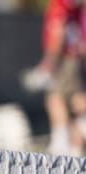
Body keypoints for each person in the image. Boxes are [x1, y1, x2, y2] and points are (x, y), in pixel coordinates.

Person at [34, 0, 86, 155]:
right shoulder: (73, 7)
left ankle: (60, 145)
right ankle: (74, 144)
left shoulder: (61, 5)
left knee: (55, 98)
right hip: (74, 58)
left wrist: (48, 64)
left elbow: (58, 34)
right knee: (77, 100)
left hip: (65, 59)